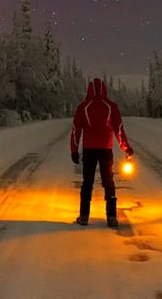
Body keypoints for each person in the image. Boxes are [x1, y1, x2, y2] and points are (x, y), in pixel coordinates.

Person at [70, 76, 133, 228]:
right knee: (108, 182)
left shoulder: (83, 107)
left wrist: (74, 150)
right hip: (106, 149)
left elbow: (76, 130)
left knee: (87, 182)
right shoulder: (111, 107)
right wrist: (126, 148)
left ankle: (84, 216)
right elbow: (118, 129)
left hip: (89, 150)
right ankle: (111, 216)